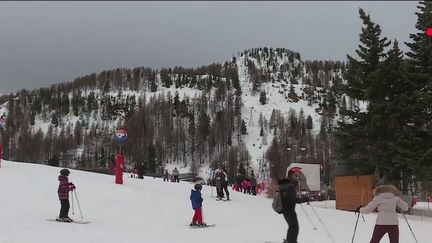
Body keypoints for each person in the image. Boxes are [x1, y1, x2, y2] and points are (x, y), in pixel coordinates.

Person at [277, 170, 309, 243]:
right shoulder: (289, 186)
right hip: (289, 210)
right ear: (291, 176)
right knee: (294, 227)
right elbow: (293, 199)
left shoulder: (286, 185)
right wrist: (304, 199)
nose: (297, 177)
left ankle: (289, 241)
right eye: (295, 175)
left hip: (286, 209)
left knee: (292, 226)